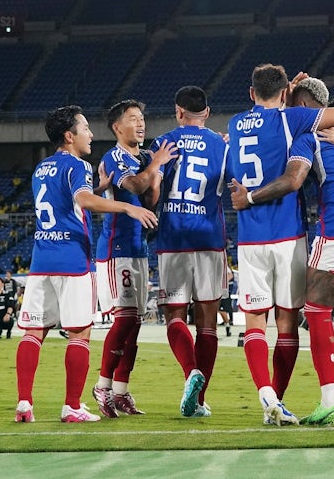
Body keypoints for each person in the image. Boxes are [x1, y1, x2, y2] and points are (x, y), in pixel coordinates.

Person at [231, 81, 334, 426]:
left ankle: (330, 402)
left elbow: (294, 179)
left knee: (317, 310)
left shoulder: (310, 139)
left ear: (308, 106)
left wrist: (248, 197)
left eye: (297, 107)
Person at [227, 65, 334, 426]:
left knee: (254, 321)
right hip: (287, 234)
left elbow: (264, 112)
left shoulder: (236, 124)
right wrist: (297, 105)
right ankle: (278, 400)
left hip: (249, 238)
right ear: (284, 94)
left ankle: (265, 395)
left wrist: (288, 94)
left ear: (251, 94)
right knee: (286, 323)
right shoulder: (292, 119)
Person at [14, 105, 159, 424]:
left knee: (33, 332)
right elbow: (81, 201)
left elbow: (67, 202)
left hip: (41, 259)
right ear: (69, 136)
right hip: (72, 259)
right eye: (85, 129)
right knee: (80, 333)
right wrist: (126, 207)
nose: (91, 134)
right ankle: (72, 406)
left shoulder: (42, 168)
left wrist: (97, 188)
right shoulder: (77, 165)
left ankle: (25, 404)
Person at [91, 99, 177, 419]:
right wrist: (154, 165)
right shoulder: (114, 158)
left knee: (136, 324)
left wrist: (156, 171)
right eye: (133, 119)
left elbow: (150, 198)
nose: (140, 124)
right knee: (124, 319)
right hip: (115, 250)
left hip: (139, 249)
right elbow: (134, 184)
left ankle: (121, 391)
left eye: (142, 118)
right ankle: (102, 385)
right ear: (117, 127)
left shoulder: (141, 157)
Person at [150, 86, 229, 418]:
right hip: (210, 238)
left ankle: (190, 372)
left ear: (178, 111)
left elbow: (150, 195)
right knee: (208, 324)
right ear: (207, 113)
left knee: (175, 316)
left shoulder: (162, 144)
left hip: (173, 239)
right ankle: (198, 401)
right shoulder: (222, 147)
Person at [219, 264, 235, 337]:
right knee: (218, 310)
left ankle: (228, 326)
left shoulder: (224, 265)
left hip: (223, 291)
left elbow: (230, 275)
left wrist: (223, 282)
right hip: (215, 291)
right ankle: (227, 325)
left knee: (222, 310)